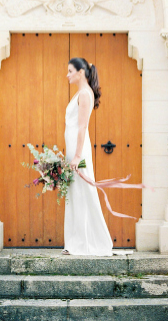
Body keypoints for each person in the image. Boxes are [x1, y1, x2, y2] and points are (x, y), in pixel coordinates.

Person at [62, 57, 113, 256]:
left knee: (82, 193)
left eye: (70, 71)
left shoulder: (85, 94)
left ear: (80, 72)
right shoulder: (80, 93)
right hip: (73, 150)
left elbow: (82, 127)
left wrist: (76, 156)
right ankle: (75, 242)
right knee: (75, 194)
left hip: (79, 153)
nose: (67, 75)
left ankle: (84, 244)